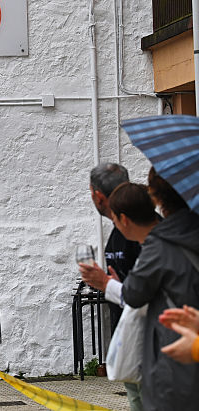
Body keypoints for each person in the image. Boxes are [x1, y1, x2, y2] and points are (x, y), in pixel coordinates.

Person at [79, 177, 199, 411]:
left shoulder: (158, 245)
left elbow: (135, 294)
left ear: (123, 219)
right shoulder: (187, 233)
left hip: (174, 347)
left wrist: (105, 283)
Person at [86, 163, 142, 409]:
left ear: (97, 195)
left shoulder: (144, 231)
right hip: (129, 334)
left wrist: (107, 285)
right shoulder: (119, 229)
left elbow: (145, 292)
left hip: (148, 337)